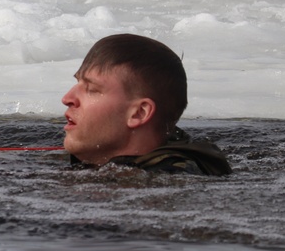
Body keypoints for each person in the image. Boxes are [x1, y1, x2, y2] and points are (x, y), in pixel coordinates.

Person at [62, 33, 231, 175]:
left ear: (139, 113)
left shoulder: (167, 184)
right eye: (78, 83)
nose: (67, 98)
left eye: (91, 89)